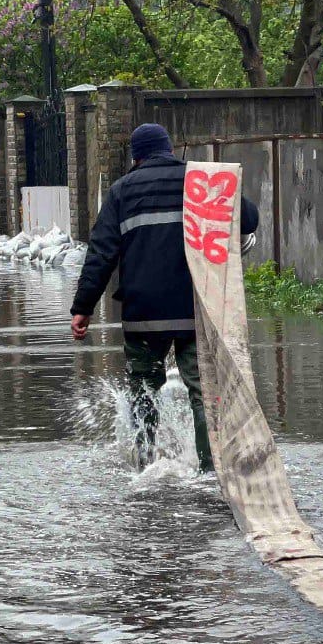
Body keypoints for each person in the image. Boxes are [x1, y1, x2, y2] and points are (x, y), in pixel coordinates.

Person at [69, 123, 259, 472]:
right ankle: (209, 472)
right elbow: (249, 219)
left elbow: (100, 254)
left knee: (143, 391)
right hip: (195, 309)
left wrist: (83, 308)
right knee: (202, 392)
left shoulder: (121, 191)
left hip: (144, 312)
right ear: (170, 149)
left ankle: (144, 466)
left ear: (135, 158)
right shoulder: (199, 180)